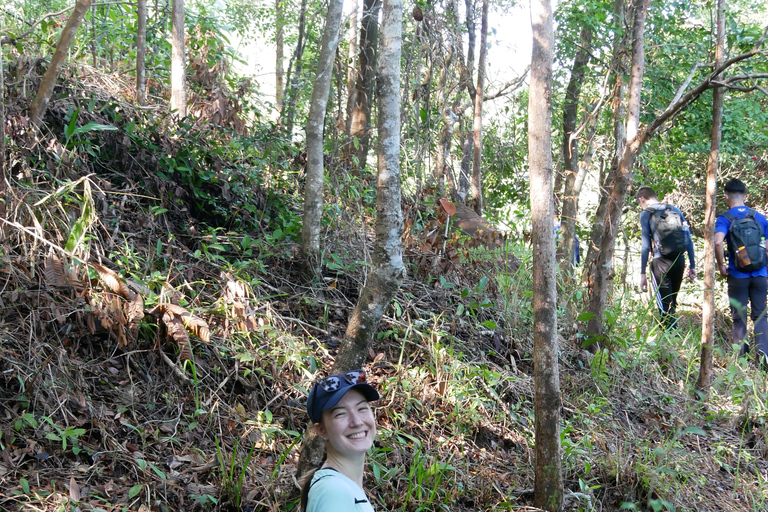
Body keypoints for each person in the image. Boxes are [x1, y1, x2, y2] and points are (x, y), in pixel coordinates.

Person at [300, 369, 380, 512]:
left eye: (362, 409)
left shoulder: (343, 486)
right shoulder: (333, 490)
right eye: (340, 414)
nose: (357, 422)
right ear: (321, 430)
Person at [715, 178, 768, 362]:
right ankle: (763, 355)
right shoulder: (759, 217)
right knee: (761, 315)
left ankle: (741, 359)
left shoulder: (725, 218)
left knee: (739, 317)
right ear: (745, 196)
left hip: (737, 275)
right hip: (761, 274)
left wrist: (721, 266)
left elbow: (717, 242)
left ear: (726, 196)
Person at [637, 186, 696, 328]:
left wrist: (643, 273)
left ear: (642, 199)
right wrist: (692, 266)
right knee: (672, 304)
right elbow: (688, 240)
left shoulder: (646, 214)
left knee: (665, 308)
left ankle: (669, 343)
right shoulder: (675, 210)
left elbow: (646, 246)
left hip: (660, 263)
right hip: (679, 261)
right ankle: (674, 341)